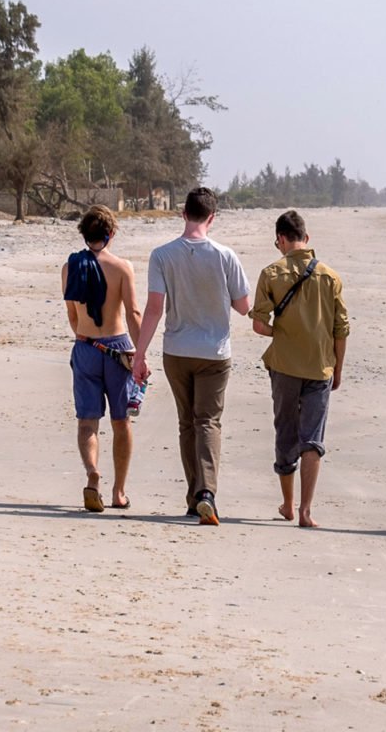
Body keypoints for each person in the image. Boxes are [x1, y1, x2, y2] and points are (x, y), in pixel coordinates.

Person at [131, 187, 251, 525]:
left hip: (176, 350)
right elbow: (244, 307)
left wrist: (139, 356)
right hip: (214, 352)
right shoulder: (226, 256)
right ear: (212, 218)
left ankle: (193, 496)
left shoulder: (162, 255)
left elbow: (155, 309)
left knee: (187, 423)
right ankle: (207, 493)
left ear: (184, 213)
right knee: (208, 421)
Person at [250, 209, 350, 528]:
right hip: (320, 367)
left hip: (283, 366)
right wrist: (338, 368)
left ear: (280, 239)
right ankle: (306, 510)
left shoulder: (270, 273)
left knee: (285, 431)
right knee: (312, 439)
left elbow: (258, 325)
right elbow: (341, 328)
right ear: (305, 238)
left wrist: (281, 332)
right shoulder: (330, 276)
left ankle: (288, 503)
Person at [60, 205, 142, 512]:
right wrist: (140, 351)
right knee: (121, 422)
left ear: (84, 233)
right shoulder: (121, 268)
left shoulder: (70, 268)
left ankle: (93, 474)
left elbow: (71, 313)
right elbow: (133, 313)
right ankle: (119, 491)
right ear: (111, 234)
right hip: (118, 348)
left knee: (87, 421)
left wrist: (84, 334)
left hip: (85, 347)